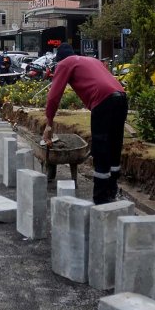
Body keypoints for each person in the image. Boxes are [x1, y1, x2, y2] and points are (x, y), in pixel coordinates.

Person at [42, 43, 127, 205]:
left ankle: (101, 199)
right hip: (121, 97)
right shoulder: (92, 60)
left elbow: (54, 96)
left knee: (101, 149)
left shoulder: (64, 63)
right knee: (114, 145)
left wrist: (49, 123)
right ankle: (112, 192)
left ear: (60, 59)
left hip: (103, 101)